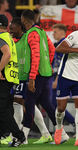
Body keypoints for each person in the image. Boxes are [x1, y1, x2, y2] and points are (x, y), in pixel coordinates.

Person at [20, 9, 68, 145]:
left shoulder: (32, 34)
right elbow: (52, 50)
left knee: (29, 103)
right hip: (47, 73)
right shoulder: (41, 32)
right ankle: (62, 134)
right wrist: (48, 63)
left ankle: (23, 137)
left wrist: (32, 78)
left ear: (24, 20)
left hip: (38, 74)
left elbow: (35, 56)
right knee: (46, 103)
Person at [7, 17, 53, 144]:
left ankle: (15, 136)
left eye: (12, 28)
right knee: (29, 104)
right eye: (9, 28)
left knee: (18, 103)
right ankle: (45, 133)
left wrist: (34, 75)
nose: (10, 31)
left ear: (20, 27)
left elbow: (40, 53)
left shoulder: (30, 37)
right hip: (17, 76)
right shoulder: (14, 40)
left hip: (27, 77)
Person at [0, 14, 25, 147]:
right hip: (11, 76)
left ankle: (19, 136)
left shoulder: (1, 37)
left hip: (4, 77)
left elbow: (7, 54)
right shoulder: (8, 37)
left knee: (2, 110)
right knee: (5, 108)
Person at [52, 23, 76, 130]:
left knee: (56, 103)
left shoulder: (64, 44)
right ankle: (64, 126)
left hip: (61, 77)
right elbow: (57, 62)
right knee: (53, 103)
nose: (53, 34)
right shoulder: (57, 44)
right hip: (56, 75)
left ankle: (72, 123)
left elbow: (63, 63)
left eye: (55, 31)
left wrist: (57, 79)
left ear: (62, 32)